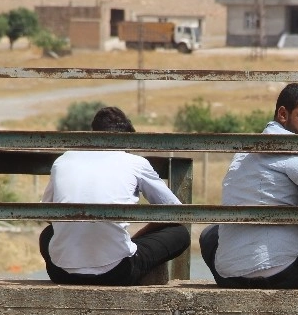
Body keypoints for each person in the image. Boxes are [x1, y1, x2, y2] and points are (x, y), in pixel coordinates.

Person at [198, 83, 298, 289]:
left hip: (228, 279)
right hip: (283, 276)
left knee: (210, 234)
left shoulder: (244, 152)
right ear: (283, 114)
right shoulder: (292, 145)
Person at [38, 106, 190, 286]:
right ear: (127, 139)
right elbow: (174, 211)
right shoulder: (135, 162)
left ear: (92, 135)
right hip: (117, 273)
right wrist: (137, 238)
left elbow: (47, 214)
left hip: (61, 273)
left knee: (48, 234)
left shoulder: (64, 159)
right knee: (180, 233)